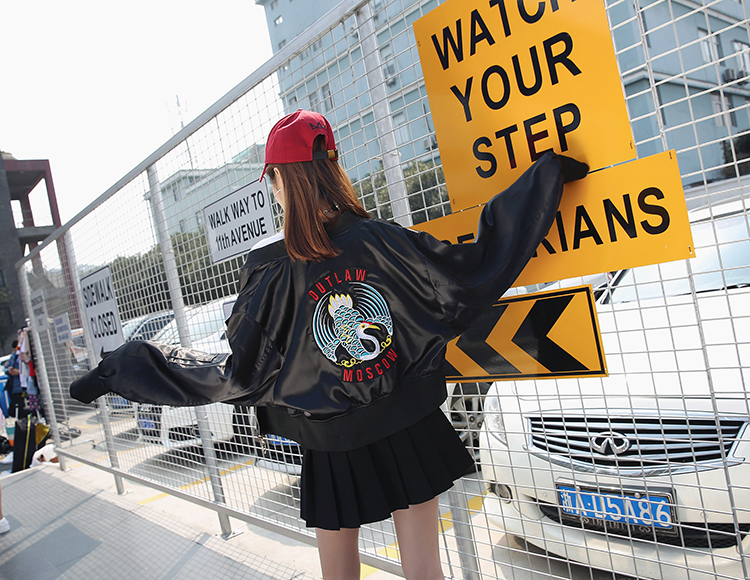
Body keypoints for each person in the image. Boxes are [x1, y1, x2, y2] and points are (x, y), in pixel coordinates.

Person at [71, 109, 587, 579]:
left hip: (330, 440)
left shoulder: (270, 273)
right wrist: (542, 179)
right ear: (331, 169)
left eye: (271, 180)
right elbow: (471, 269)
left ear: (280, 180)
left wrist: (124, 367)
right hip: (408, 423)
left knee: (339, 575)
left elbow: (240, 372)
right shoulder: (382, 239)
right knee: (425, 570)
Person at [4, 341, 24, 419]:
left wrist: (19, 372)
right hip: (13, 387)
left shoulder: (24, 356)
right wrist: (9, 371)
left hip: (22, 386)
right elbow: (6, 368)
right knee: (13, 410)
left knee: (19, 409)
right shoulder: (14, 356)